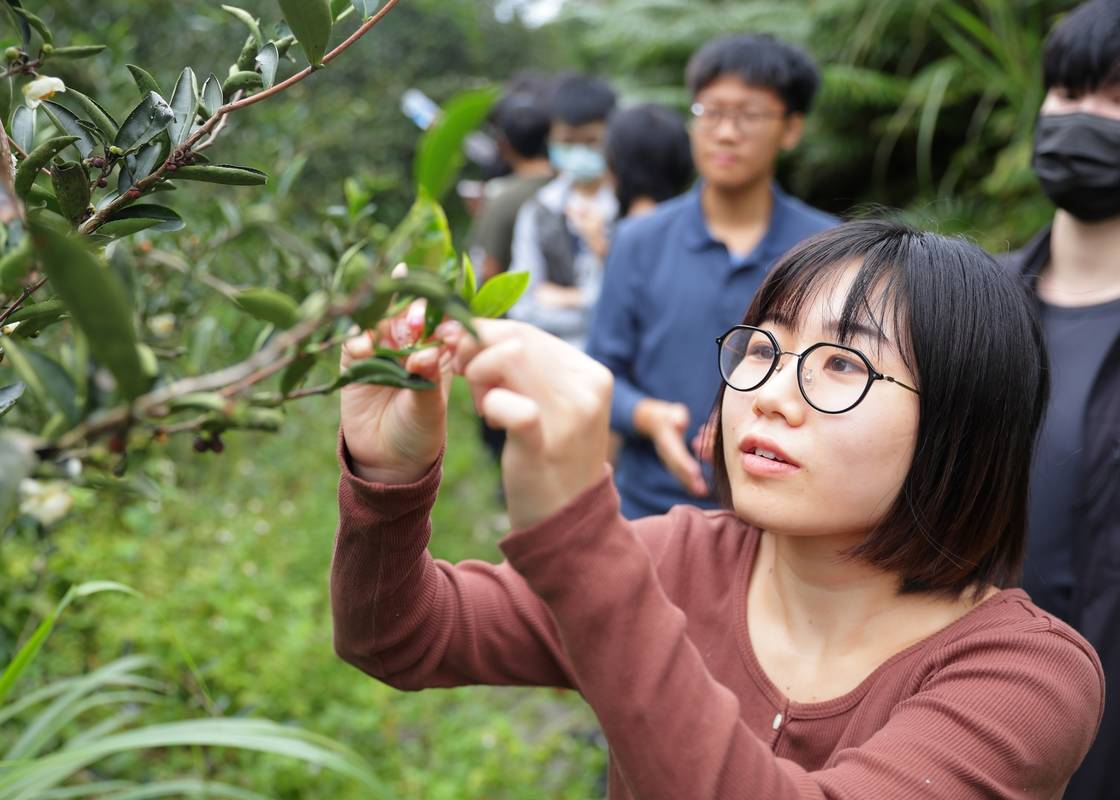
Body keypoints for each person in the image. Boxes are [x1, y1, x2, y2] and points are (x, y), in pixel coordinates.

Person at [332, 220, 1103, 799]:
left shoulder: (1025, 678)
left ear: (963, 424)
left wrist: (578, 537)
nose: (767, 394)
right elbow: (399, 634)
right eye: (762, 349)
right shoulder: (675, 560)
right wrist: (388, 472)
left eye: (842, 363)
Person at [588, 34, 838, 519]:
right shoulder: (640, 240)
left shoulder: (827, 250)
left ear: (791, 129)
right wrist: (651, 416)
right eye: (710, 113)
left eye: (748, 115)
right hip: (654, 509)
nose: (725, 133)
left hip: (782, 516)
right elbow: (602, 371)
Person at [1000, 2, 1120, 797]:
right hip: (976, 722)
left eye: (1115, 98)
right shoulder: (969, 310)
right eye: (1068, 93)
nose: (1082, 118)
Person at [509, 73, 618, 349]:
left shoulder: (629, 208)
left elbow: (635, 310)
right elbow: (522, 308)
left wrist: (572, 297)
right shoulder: (538, 209)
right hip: (555, 363)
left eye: (591, 141)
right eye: (568, 142)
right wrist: (595, 301)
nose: (579, 151)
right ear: (552, 139)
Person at [467, 87, 557, 283]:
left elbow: (489, 269)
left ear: (503, 145)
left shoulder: (502, 198)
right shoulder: (568, 186)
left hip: (516, 309)